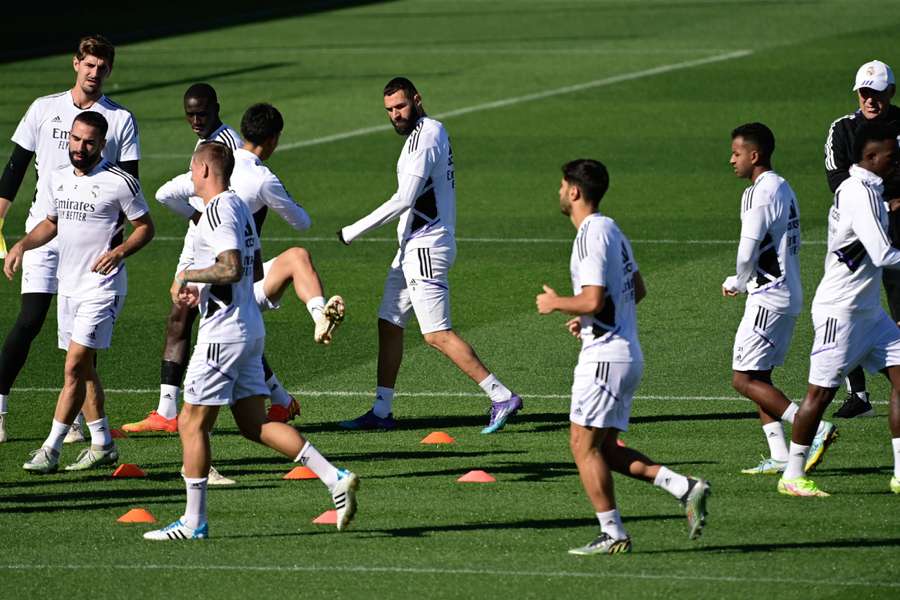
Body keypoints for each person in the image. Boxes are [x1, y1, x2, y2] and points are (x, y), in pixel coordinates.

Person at [143, 143, 357, 540]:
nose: (190, 178)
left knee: (190, 423)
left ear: (205, 170)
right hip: (248, 327)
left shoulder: (218, 209)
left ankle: (193, 522)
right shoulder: (241, 207)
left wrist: (190, 275)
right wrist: (203, 289)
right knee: (253, 423)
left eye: (192, 170)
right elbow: (253, 268)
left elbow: (231, 266)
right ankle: (335, 478)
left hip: (222, 334)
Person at [536, 159, 710, 554]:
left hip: (604, 360)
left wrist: (559, 304)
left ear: (575, 191)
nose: (560, 193)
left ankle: (613, 533)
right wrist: (588, 319)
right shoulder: (613, 229)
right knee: (607, 449)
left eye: (562, 186)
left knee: (583, 446)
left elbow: (595, 297)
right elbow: (637, 289)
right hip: (623, 351)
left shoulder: (589, 236)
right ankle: (685, 488)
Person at [123, 98, 318, 437]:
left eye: (201, 113)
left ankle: (191, 435)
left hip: (211, 264)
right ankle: (282, 403)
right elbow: (301, 222)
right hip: (223, 264)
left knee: (210, 326)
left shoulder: (216, 160)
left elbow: (165, 194)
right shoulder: (255, 175)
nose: (196, 119)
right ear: (274, 139)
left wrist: (199, 219)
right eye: (190, 113)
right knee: (221, 324)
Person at [337, 77, 521, 433]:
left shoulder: (425, 137)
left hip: (426, 246)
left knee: (436, 333)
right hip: (410, 247)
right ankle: (381, 410)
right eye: (390, 110)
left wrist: (352, 231)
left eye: (401, 107)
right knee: (389, 322)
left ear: (417, 100)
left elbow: (405, 198)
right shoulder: (421, 136)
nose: (395, 115)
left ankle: (501, 395)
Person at [0, 34, 140, 443]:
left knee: (80, 341)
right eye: (89, 65)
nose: (95, 73)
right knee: (29, 321)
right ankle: (1, 409)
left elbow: (129, 184)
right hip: (44, 233)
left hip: (92, 243)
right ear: (75, 64)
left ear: (109, 71)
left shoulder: (120, 120)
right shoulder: (44, 109)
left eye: (102, 67)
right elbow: (16, 167)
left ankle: (77, 421)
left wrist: (117, 245)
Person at [3, 111, 154, 473]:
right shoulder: (59, 179)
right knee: (84, 370)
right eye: (75, 139)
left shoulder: (120, 182)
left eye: (89, 142)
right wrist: (23, 245)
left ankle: (50, 449)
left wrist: (118, 252)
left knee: (73, 367)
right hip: (67, 287)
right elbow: (52, 223)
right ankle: (102, 443)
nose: (80, 147)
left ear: (102, 144)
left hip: (102, 288)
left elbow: (145, 228)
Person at [778, 122, 900, 497]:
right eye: (892, 158)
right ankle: (793, 475)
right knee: (819, 396)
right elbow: (881, 253)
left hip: (870, 314)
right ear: (870, 158)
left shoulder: (870, 191)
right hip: (841, 313)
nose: (897, 163)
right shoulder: (858, 194)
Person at [723, 123, 836, 475]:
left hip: (768, 297)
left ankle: (814, 426)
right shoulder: (783, 186)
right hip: (787, 291)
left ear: (754, 156)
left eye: (737, 153)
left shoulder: (759, 194)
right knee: (760, 377)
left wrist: (738, 281)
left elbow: (748, 249)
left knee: (742, 379)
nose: (732, 160)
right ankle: (780, 454)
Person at [824, 59, 900, 418]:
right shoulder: (842, 130)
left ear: (891, 93)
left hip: (898, 229)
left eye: (878, 94)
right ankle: (858, 395)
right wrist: (887, 201)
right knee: (849, 304)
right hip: (856, 235)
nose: (871, 101)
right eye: (865, 93)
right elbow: (838, 181)